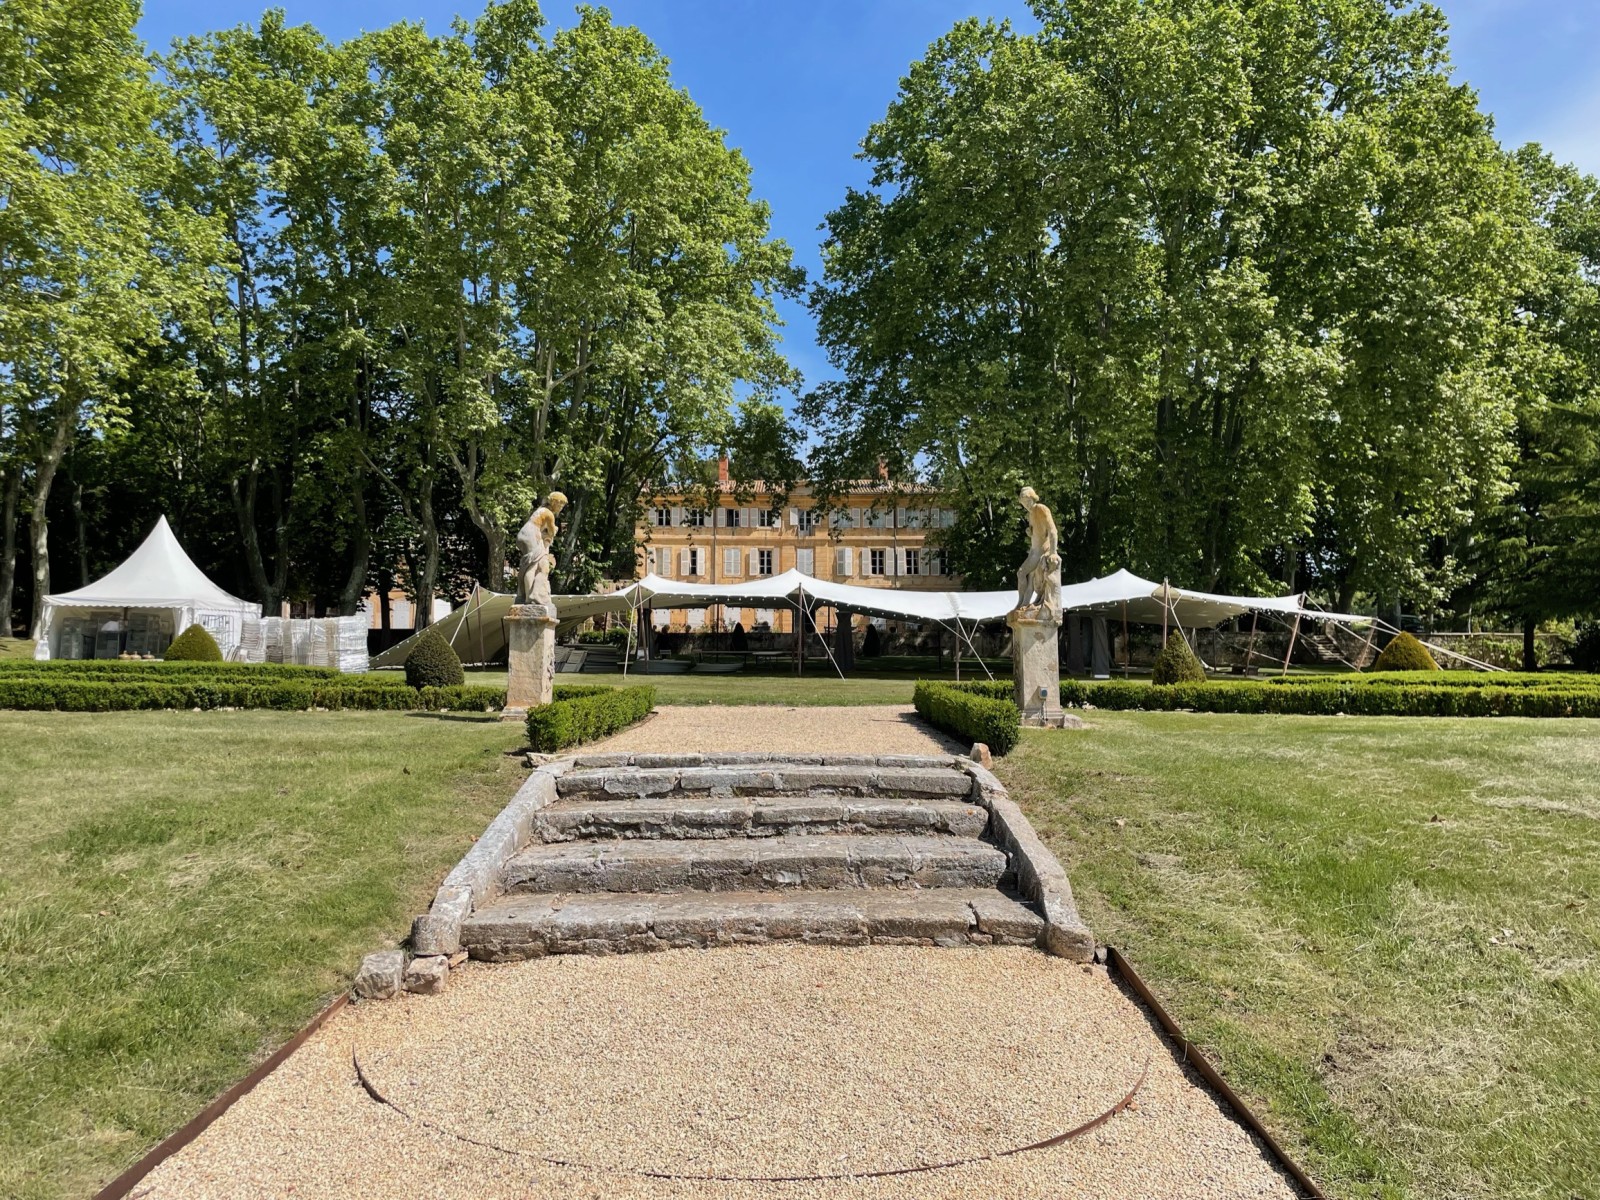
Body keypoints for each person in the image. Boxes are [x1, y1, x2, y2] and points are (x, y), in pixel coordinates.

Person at [1015, 486, 1062, 622]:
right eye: (1023, 504)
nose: (1026, 505)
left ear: (1032, 498)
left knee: (1022, 573)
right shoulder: (1031, 514)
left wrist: (1053, 552)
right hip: (1034, 552)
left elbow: (1053, 531)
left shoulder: (1041, 508)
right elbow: (1037, 532)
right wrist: (1030, 533)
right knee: (1026, 577)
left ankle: (1022, 603)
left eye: (1027, 501)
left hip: (1041, 551)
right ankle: (1022, 603)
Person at [515, 491, 568, 611]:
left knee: (532, 565)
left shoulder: (541, 510)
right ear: (555, 502)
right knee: (532, 567)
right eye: (561, 505)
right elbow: (551, 531)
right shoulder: (549, 514)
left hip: (526, 533)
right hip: (531, 533)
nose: (561, 508)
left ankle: (527, 595)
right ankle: (529, 597)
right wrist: (554, 530)